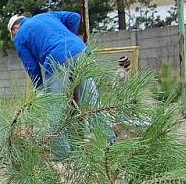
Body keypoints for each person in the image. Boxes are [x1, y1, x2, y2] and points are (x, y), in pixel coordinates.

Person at [7, 11, 114, 160]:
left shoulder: (20, 36)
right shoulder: (46, 16)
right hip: (81, 52)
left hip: (57, 60)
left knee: (54, 110)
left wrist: (40, 89)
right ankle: (109, 143)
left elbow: (31, 66)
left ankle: (61, 152)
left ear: (15, 27)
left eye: (13, 33)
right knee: (91, 102)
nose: (14, 36)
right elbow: (75, 17)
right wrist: (67, 39)